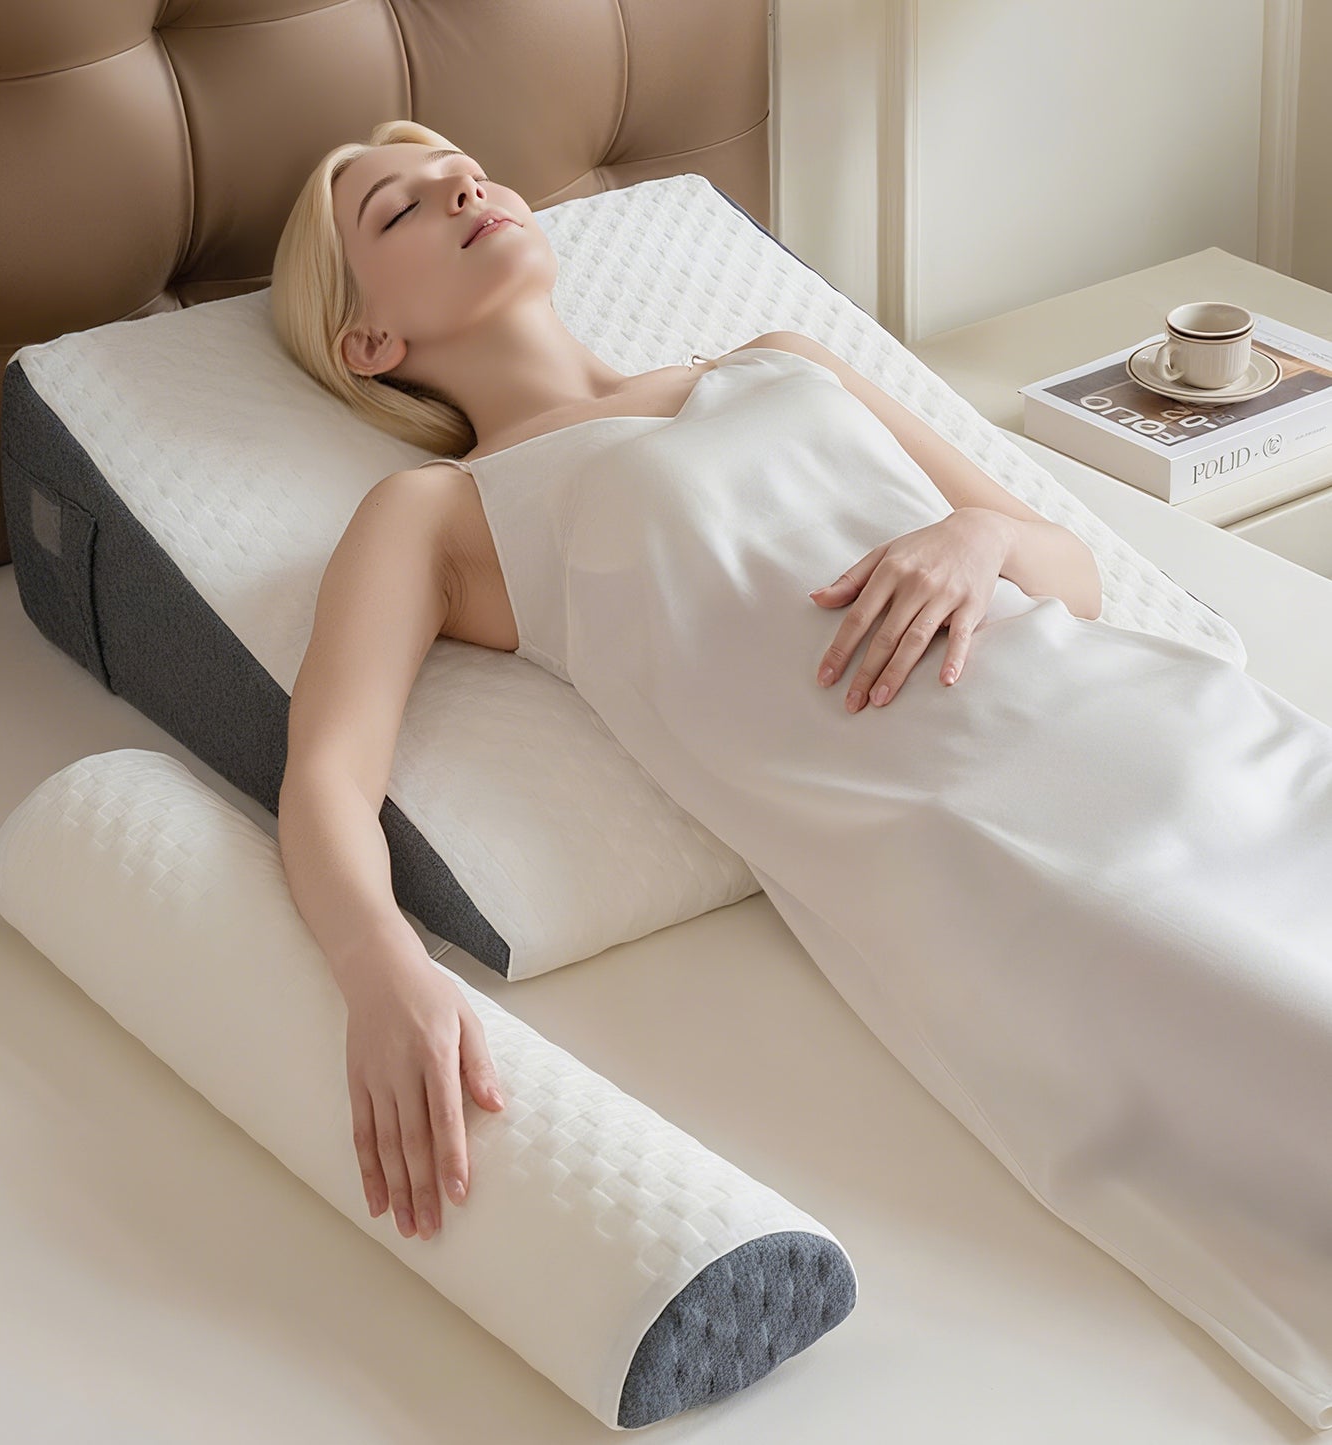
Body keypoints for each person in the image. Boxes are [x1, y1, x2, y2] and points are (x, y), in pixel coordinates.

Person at [270, 123, 1332, 1429]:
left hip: (1185, 738)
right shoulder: (439, 514)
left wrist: (977, 530)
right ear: (365, 338)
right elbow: (324, 773)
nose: (462, 187)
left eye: (461, 170)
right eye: (402, 209)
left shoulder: (779, 358)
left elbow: (1073, 574)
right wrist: (380, 969)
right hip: (1012, 858)